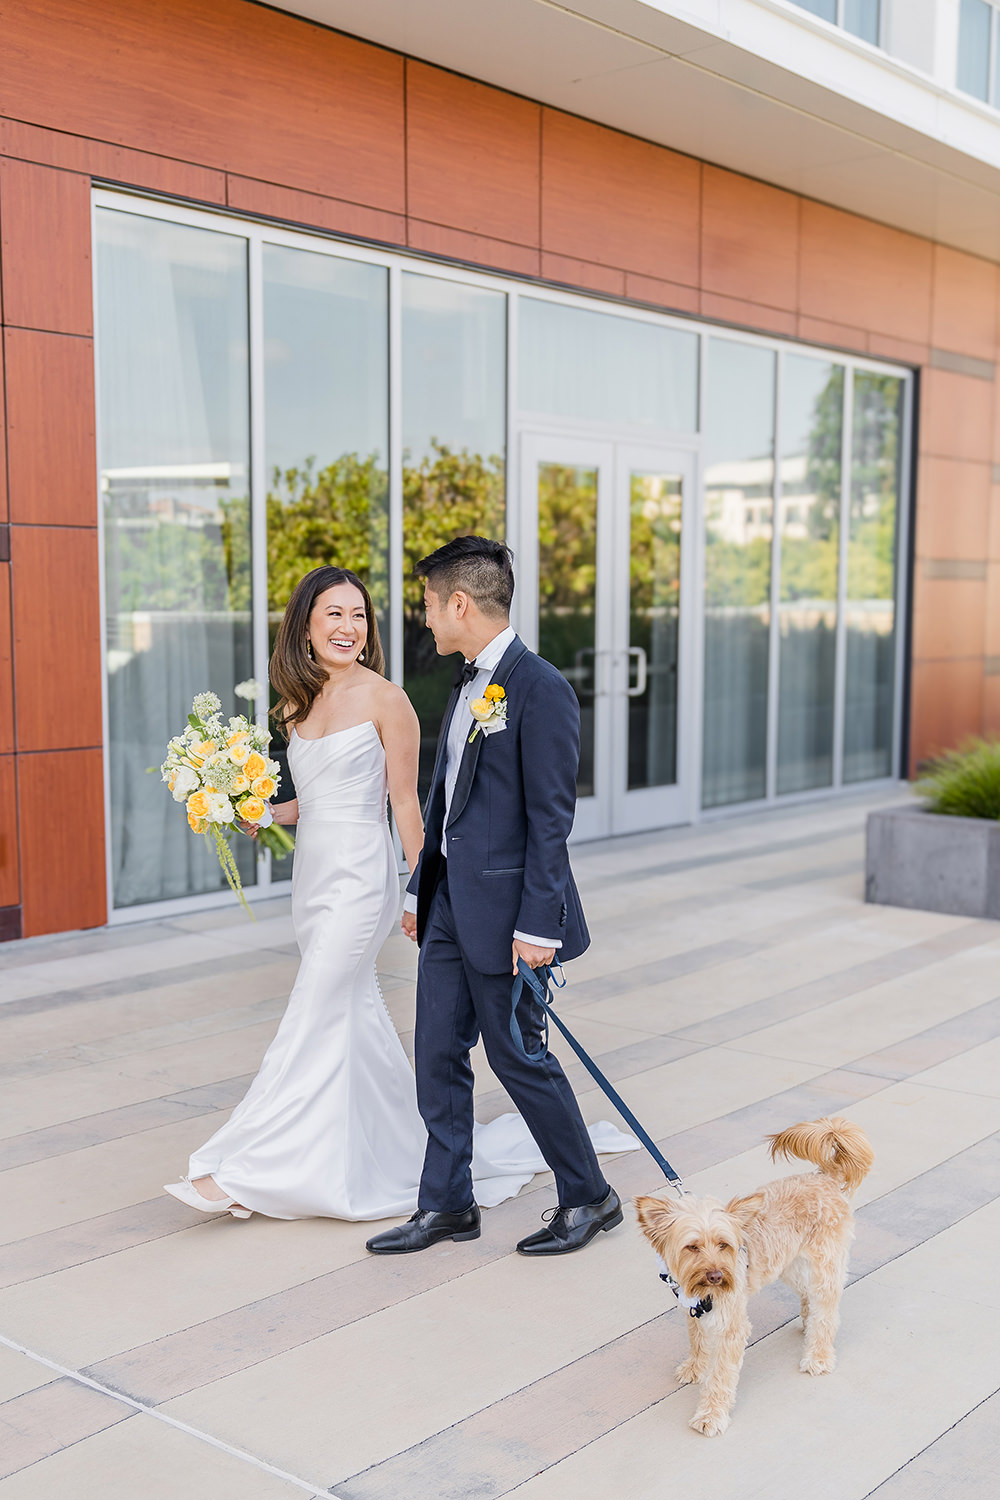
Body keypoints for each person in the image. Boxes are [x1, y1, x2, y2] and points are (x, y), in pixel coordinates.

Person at [163, 563, 632, 1221]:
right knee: (341, 1014)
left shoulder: (389, 700)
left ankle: (247, 1166)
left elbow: (412, 807)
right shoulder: (298, 702)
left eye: (358, 615)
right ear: (305, 626)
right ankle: (382, 1151)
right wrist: (258, 809)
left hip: (361, 879)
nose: (348, 627)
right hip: (314, 882)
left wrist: (423, 890)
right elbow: (313, 799)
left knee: (310, 1011)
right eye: (334, 614)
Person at [366, 537, 626, 1257]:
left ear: (459, 603)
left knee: (519, 1060)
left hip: (512, 918)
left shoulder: (538, 687)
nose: (424, 620)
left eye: (427, 604)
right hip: (449, 905)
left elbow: (551, 820)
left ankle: (589, 1196)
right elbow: (446, 799)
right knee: (437, 1056)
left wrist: (540, 923)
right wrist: (422, 887)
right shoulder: (464, 682)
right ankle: (447, 1204)